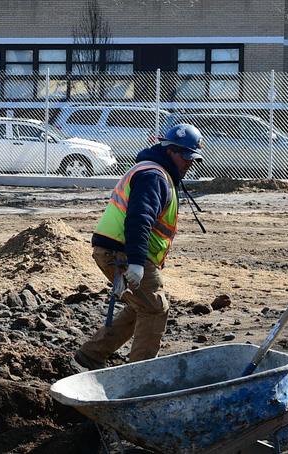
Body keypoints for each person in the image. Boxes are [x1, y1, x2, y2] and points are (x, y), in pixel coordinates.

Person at [74, 123, 203, 370]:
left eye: (193, 159)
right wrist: (135, 260)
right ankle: (140, 375)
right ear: (169, 151)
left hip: (117, 251)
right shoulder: (154, 176)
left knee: (141, 306)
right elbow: (139, 218)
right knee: (155, 308)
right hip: (123, 253)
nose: (189, 163)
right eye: (185, 157)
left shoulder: (158, 173)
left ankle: (89, 357)